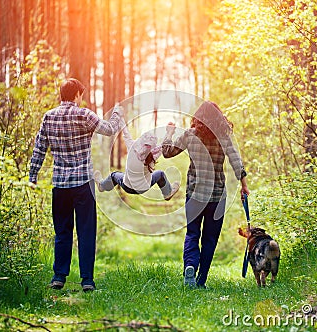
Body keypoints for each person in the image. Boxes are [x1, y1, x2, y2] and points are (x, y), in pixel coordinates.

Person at [29, 78, 123, 292]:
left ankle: (59, 276)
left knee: (62, 231)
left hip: (60, 184)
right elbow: (109, 129)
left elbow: (39, 148)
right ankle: (87, 280)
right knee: (86, 231)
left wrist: (32, 176)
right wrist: (117, 113)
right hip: (83, 183)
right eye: (81, 95)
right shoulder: (84, 114)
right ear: (77, 95)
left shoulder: (48, 117)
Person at [162, 101, 249, 288]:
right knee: (210, 239)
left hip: (195, 194)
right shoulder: (223, 137)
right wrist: (244, 186)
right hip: (217, 196)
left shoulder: (190, 135)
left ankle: (190, 267)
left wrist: (169, 133)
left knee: (193, 233)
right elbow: (236, 160)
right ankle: (201, 280)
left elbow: (167, 152)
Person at [98, 121, 180, 200]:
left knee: (114, 175)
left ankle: (102, 186)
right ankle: (167, 193)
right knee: (160, 174)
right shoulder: (153, 156)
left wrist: (121, 119)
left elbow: (126, 134)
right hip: (143, 188)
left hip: (127, 187)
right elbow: (164, 146)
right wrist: (169, 132)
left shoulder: (132, 148)